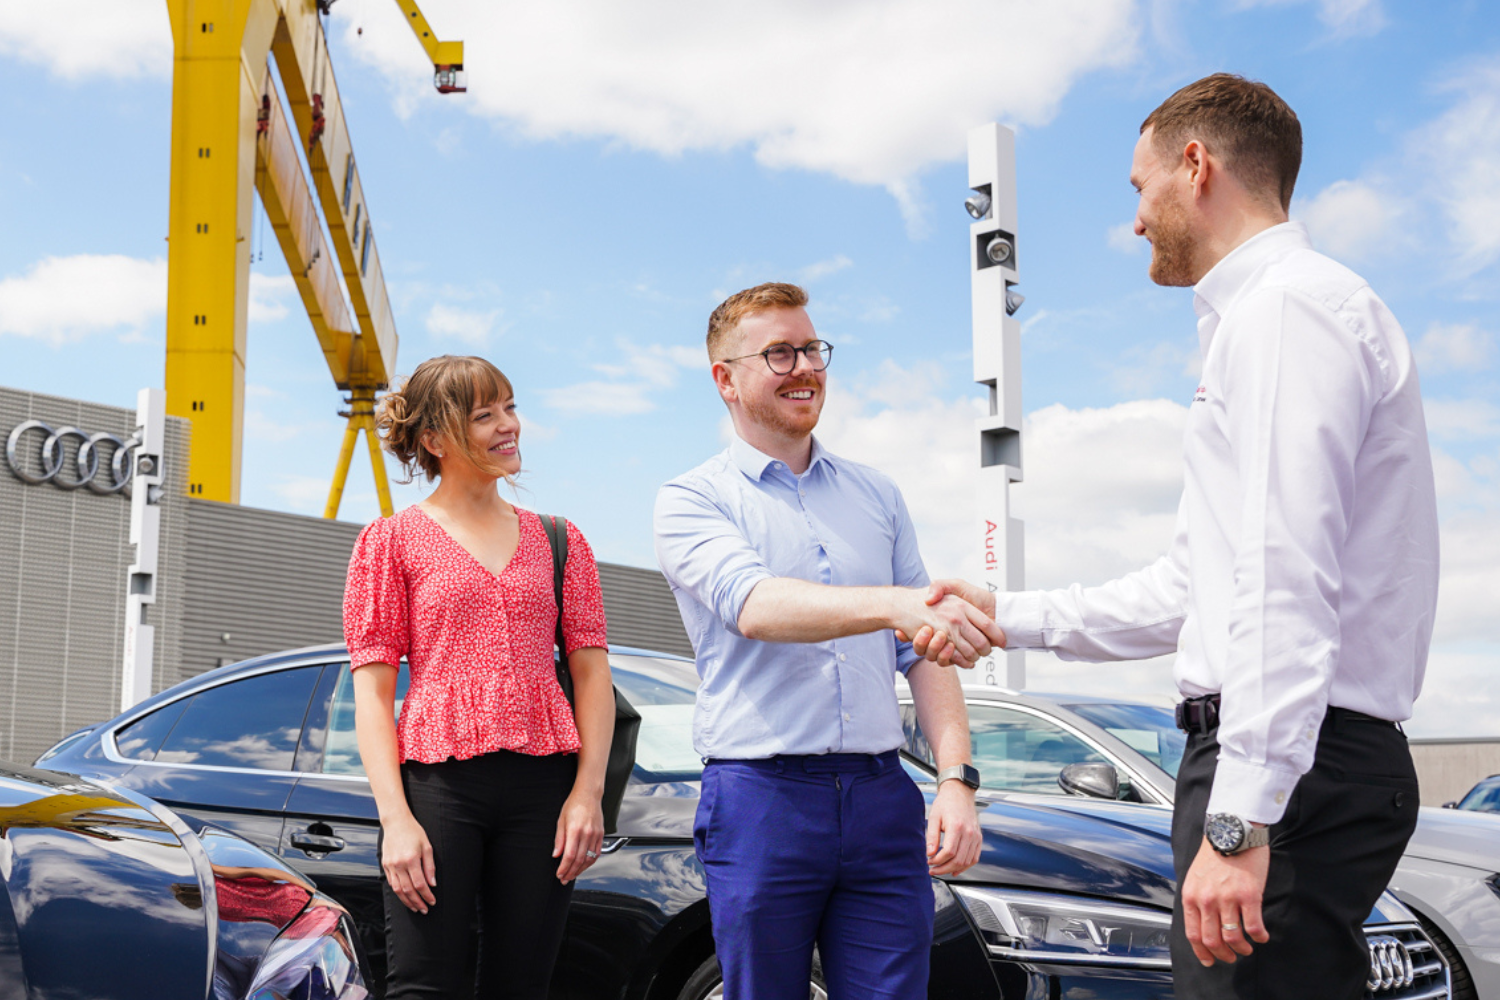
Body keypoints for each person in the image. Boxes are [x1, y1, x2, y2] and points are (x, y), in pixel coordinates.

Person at [911, 74, 1439, 999]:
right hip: (1300, 763)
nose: (1134, 218)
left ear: (1196, 165)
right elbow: (1199, 588)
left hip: (1290, 766)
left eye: (1136, 186)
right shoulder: (1277, 315)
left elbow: (1284, 574)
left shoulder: (1284, 312)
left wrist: (1240, 820)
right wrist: (1007, 614)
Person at [653, 282, 1003, 1000]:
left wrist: (956, 780)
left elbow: (922, 648)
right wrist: (899, 605)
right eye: (779, 353)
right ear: (725, 379)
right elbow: (755, 606)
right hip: (761, 797)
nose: (804, 366)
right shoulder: (692, 499)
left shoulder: (878, 495)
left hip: (881, 794)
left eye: (812, 348)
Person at [342, 355, 616, 1000]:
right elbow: (373, 697)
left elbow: (593, 675)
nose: (508, 426)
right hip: (438, 788)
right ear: (435, 439)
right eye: (484, 415)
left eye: (510, 408)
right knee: (423, 986)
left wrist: (587, 794)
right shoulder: (390, 543)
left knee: (522, 986)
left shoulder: (559, 539)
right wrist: (396, 821)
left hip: (544, 787)